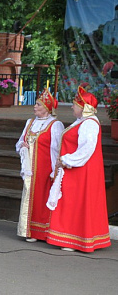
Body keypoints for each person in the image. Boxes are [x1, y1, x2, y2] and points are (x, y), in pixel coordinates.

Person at [46, 85, 111, 252]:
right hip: (76, 168)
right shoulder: (81, 121)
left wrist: (67, 160)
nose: (72, 107)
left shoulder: (90, 124)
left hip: (82, 169)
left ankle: (76, 239)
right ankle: (71, 238)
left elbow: (86, 148)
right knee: (73, 202)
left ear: (84, 107)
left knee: (77, 202)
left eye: (75, 105)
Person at [15, 88, 63, 242]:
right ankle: (29, 231)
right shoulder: (30, 123)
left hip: (45, 169)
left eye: (38, 105)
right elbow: (19, 142)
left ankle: (44, 232)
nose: (35, 107)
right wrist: (22, 145)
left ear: (47, 108)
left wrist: (56, 170)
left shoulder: (55, 125)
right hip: (30, 169)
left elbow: (57, 149)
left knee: (44, 198)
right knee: (30, 197)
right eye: (35, 104)